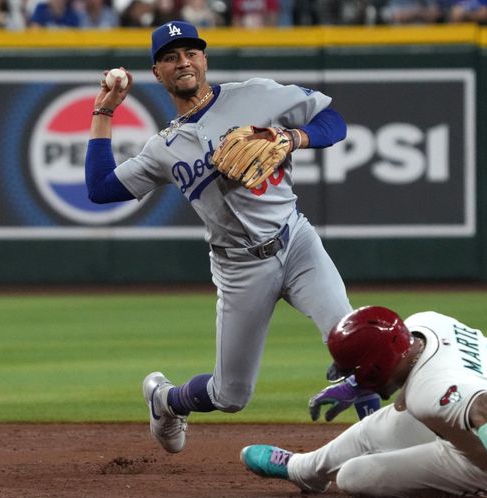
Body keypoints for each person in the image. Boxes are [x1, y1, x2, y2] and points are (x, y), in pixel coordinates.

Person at [84, 21, 359, 454]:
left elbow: (333, 119)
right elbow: (100, 189)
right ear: (158, 73)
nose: (184, 62)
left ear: (205, 59)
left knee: (354, 343)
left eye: (192, 52)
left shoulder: (256, 94)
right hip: (239, 266)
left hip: (297, 241)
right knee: (231, 396)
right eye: (171, 57)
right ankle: (165, 400)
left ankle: (379, 445)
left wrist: (292, 137)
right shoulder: (163, 148)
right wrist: (104, 112)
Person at [242, 306, 487, 498]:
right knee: (380, 427)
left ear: (377, 366)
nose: (356, 381)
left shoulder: (430, 389)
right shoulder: (423, 323)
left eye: (356, 373)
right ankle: (302, 469)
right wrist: (354, 384)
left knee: (353, 476)